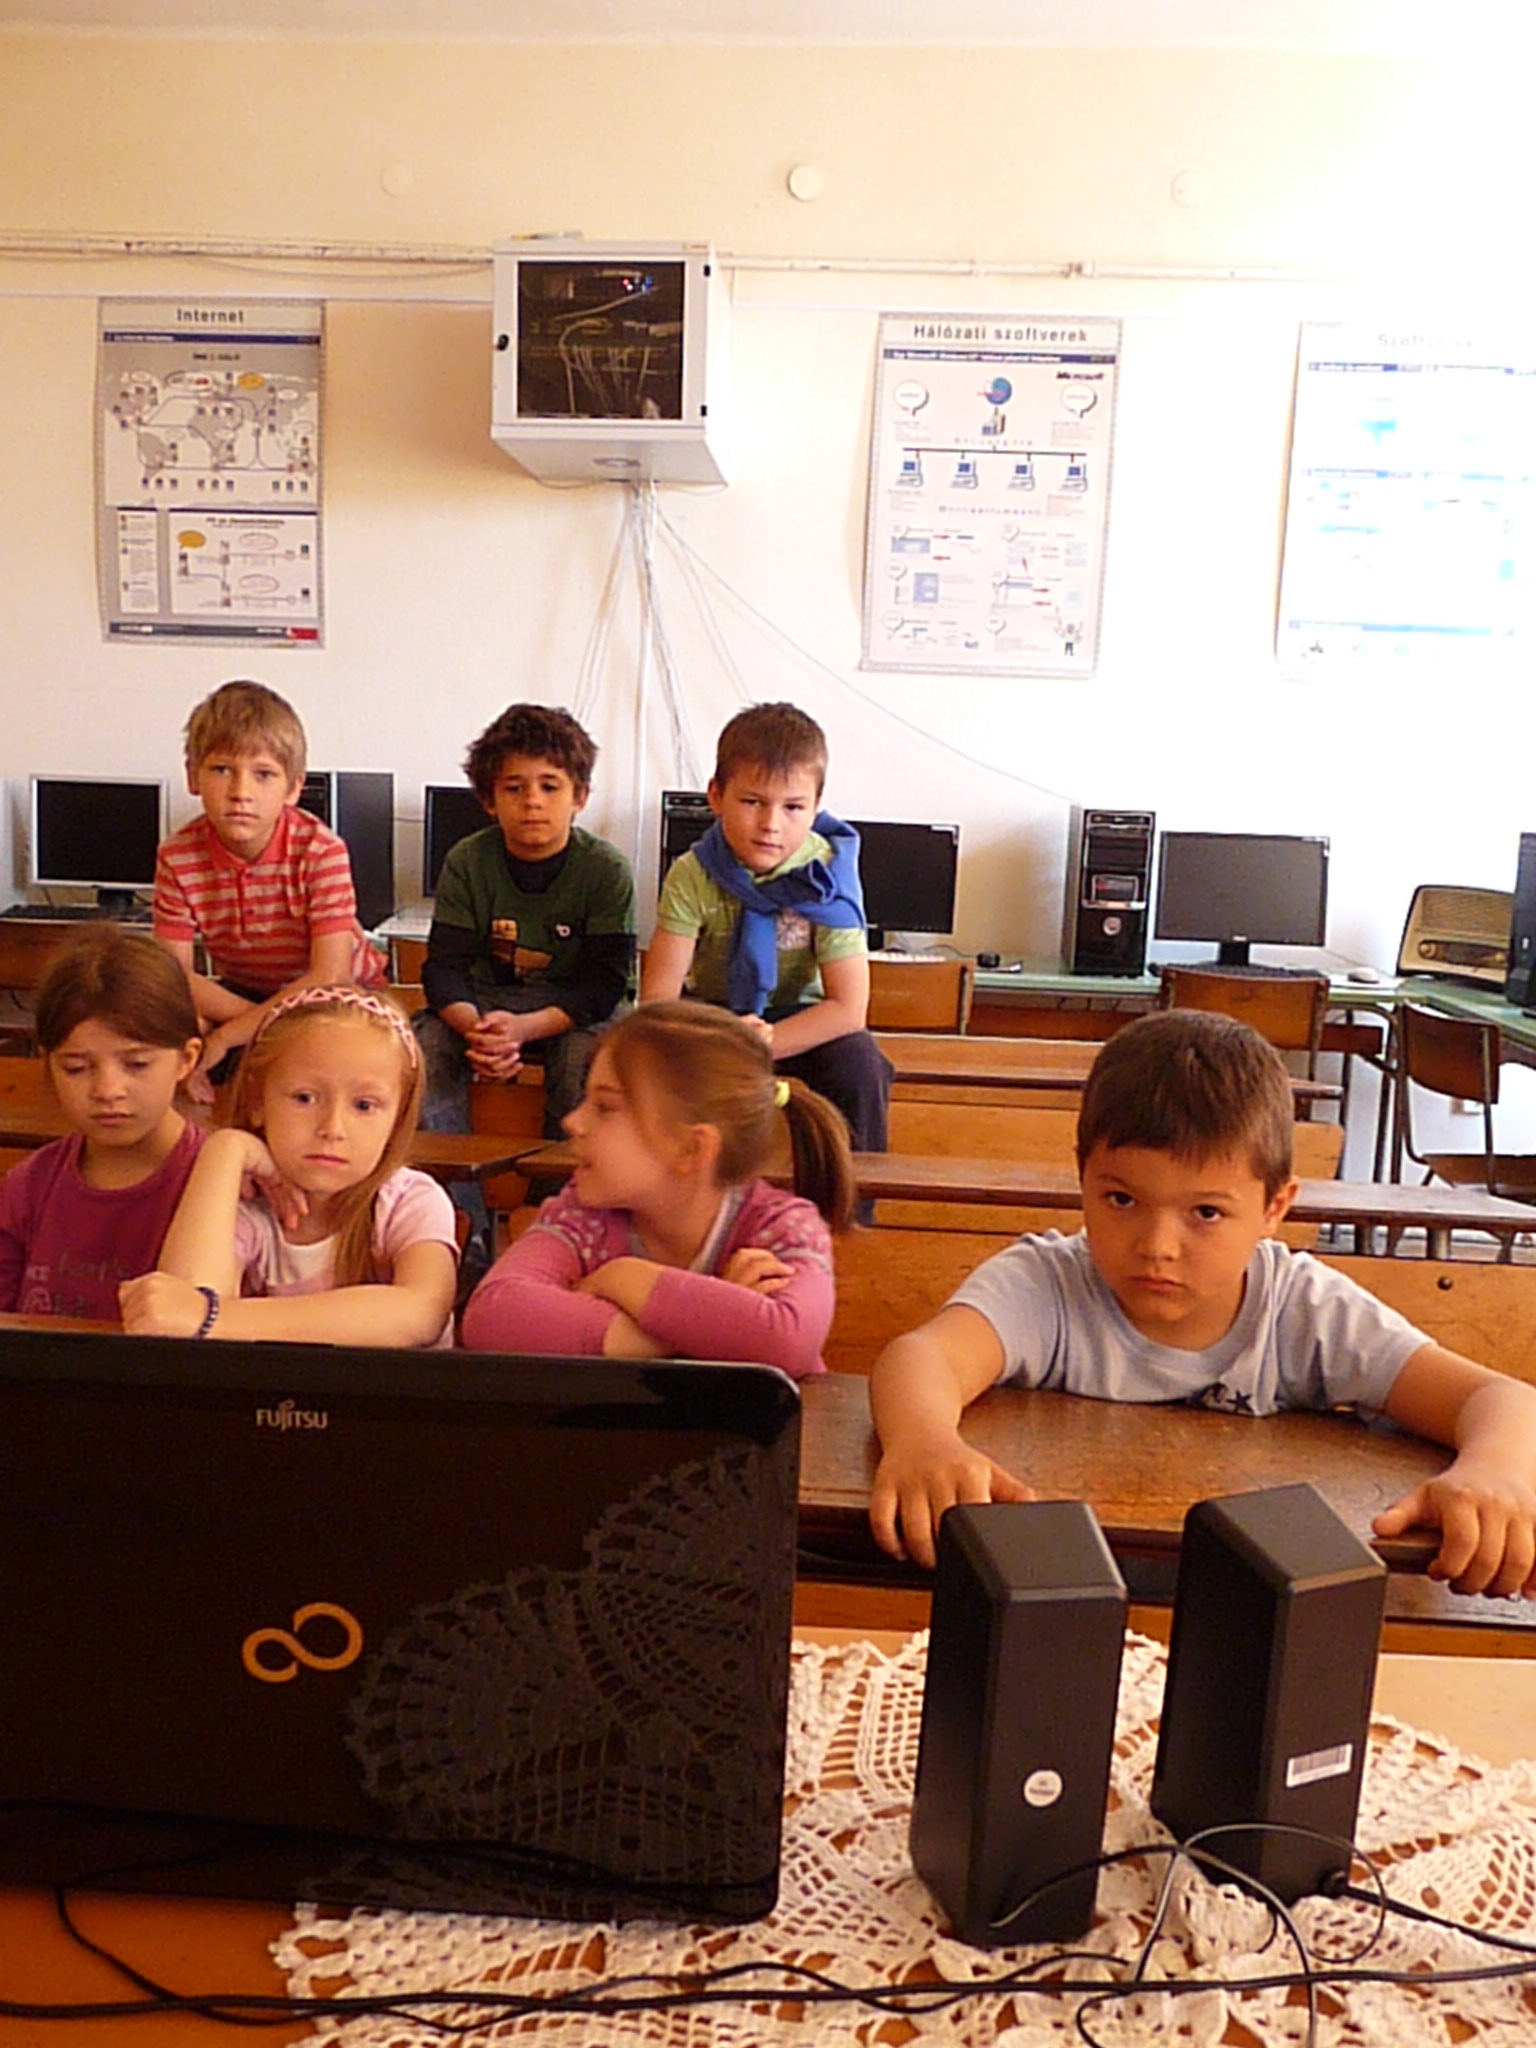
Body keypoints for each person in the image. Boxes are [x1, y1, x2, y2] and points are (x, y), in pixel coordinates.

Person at [868, 1008, 1536, 1600]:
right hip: (1054, 1589)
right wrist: (924, 1441)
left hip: (1249, 1604)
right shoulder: (1049, 1283)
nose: (1157, 1247)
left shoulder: (1303, 1307)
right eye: (1121, 1199)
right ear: (1082, 1179)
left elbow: (1501, 1399)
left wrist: (1495, 1471)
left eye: (1207, 1213)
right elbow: (923, 1357)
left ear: (1275, 1207)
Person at [460, 999, 855, 1376]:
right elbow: (490, 1316)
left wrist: (623, 1276)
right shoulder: (584, 1214)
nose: (572, 1122)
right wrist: (709, 1323)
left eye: (605, 1107)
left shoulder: (781, 1227)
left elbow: (786, 1340)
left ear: (690, 1148)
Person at [119, 985, 458, 1348]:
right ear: (257, 1099)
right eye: (304, 1098)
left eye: (364, 1106)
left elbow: (420, 1313)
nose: (332, 1128)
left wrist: (211, 1317)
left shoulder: (409, 1201)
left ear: (398, 1116)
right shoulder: (244, 1205)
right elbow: (179, 1330)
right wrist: (225, 1149)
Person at [641, 701, 893, 1155]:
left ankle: (853, 1195)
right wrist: (726, 1040)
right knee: (644, 1057)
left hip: (800, 1020)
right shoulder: (692, 873)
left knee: (860, 1064)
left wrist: (765, 1043)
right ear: (715, 796)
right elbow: (658, 1000)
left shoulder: (828, 875)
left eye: (793, 807)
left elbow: (848, 1008)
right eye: (752, 802)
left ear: (816, 809)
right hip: (711, 1019)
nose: (770, 825)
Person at [153, 679, 387, 1098]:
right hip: (247, 994)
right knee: (173, 1031)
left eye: (263, 775)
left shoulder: (321, 851)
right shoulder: (176, 856)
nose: (241, 793)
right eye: (221, 770)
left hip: (339, 995)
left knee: (322, 1055)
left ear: (293, 788)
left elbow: (329, 976)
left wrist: (231, 1035)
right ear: (192, 777)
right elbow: (173, 976)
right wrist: (259, 1022)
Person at [415, 702, 636, 1144]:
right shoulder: (467, 861)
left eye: (550, 786)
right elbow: (444, 969)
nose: (533, 801)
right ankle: (450, 1186)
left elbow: (604, 984)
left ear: (579, 797)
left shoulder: (606, 869)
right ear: (489, 800)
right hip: (485, 1003)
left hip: (574, 1009)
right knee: (426, 1049)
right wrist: (480, 1031)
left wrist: (525, 1028)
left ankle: (562, 1182)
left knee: (582, 1060)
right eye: (514, 788)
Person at [0, 926, 204, 1320]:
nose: (107, 1090)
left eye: (137, 1064)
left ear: (187, 1059)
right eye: (76, 1068)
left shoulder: (222, 1183)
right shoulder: (28, 1186)